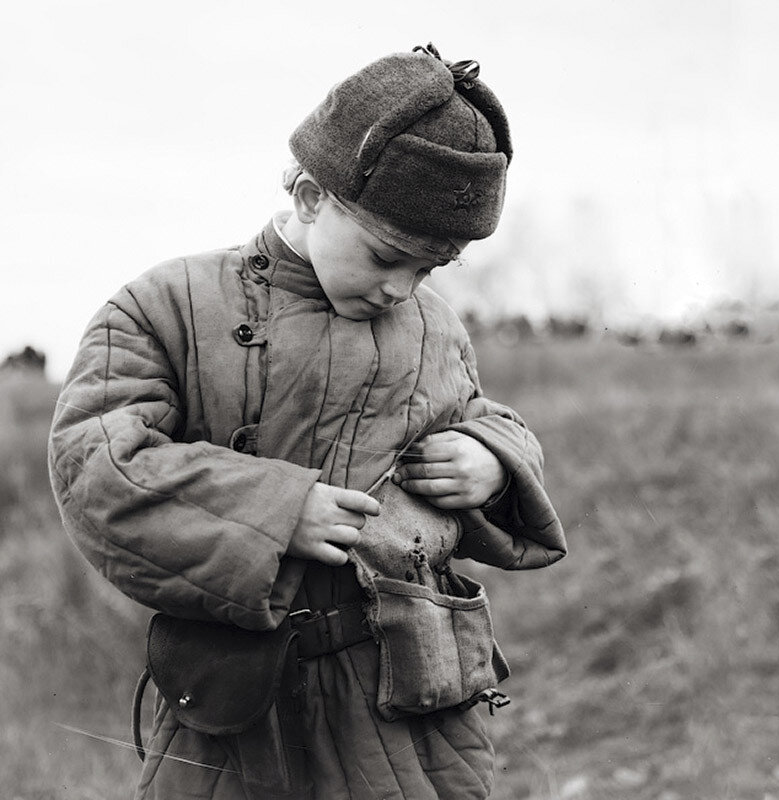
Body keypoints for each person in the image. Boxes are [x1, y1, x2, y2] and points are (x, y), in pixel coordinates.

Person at [48, 43, 566, 800]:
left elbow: (480, 418)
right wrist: (276, 512)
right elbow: (98, 469)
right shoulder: (164, 307)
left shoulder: (436, 330)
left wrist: (492, 459)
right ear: (309, 192)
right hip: (235, 716)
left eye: (429, 268)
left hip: (410, 716)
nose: (401, 289)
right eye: (386, 254)